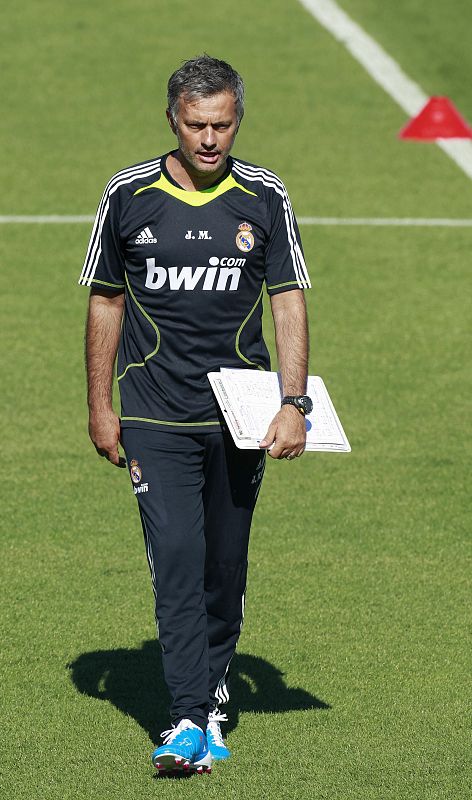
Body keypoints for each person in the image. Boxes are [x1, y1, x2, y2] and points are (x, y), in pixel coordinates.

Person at [79, 54, 312, 774]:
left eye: (223, 124)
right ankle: (186, 717)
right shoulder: (128, 195)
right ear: (172, 120)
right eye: (196, 125)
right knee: (176, 559)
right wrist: (100, 405)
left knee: (223, 566)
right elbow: (105, 300)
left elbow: (288, 299)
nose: (210, 139)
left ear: (237, 118)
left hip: (241, 416)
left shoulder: (264, 195)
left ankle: (210, 695)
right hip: (155, 413)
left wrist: (293, 402)